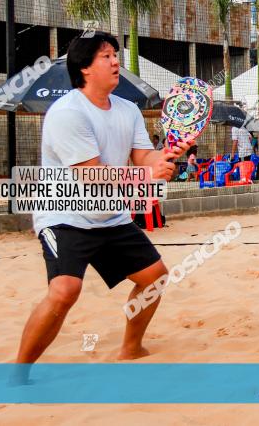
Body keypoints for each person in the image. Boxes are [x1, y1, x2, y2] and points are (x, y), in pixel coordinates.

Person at [15, 33, 191, 368]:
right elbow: (91, 174)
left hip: (110, 217)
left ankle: (131, 348)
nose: (115, 62)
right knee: (65, 291)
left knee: (154, 278)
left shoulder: (127, 109)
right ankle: (19, 371)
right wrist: (146, 177)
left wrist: (164, 156)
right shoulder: (67, 112)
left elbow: (142, 156)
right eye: (106, 56)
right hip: (64, 216)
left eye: (115, 55)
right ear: (84, 68)